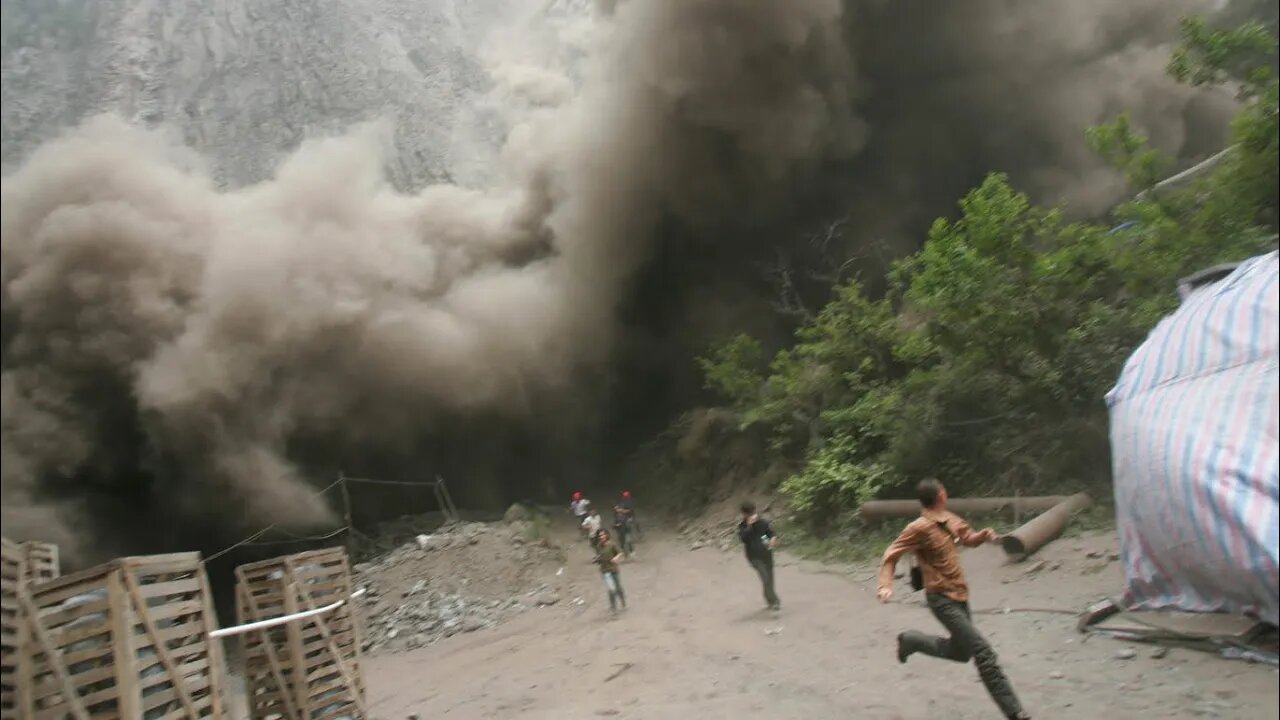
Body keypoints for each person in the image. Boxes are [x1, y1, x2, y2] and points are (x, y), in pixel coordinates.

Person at [877, 479, 1031, 720]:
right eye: (943, 490)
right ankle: (1015, 712)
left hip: (960, 596)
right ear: (941, 495)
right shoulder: (918, 528)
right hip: (940, 599)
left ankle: (912, 641)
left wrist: (982, 536)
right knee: (983, 653)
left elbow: (966, 537)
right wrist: (885, 585)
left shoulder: (949, 518)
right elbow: (891, 553)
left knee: (961, 653)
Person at [737, 501, 780, 611]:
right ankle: (775, 601)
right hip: (754, 556)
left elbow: (770, 534)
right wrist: (749, 526)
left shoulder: (762, 523)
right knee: (765, 578)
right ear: (744, 514)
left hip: (767, 553)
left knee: (770, 579)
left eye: (752, 512)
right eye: (748, 513)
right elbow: (743, 538)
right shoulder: (742, 526)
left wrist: (772, 540)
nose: (751, 515)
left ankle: (769, 599)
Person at [592, 528, 627, 612]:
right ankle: (613, 607)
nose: (601, 537)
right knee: (611, 589)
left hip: (613, 569)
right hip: (605, 570)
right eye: (600, 535)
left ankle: (622, 600)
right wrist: (596, 560)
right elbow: (599, 556)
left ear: (607, 535)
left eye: (603, 535)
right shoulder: (598, 546)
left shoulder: (612, 544)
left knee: (618, 587)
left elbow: (620, 553)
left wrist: (616, 558)